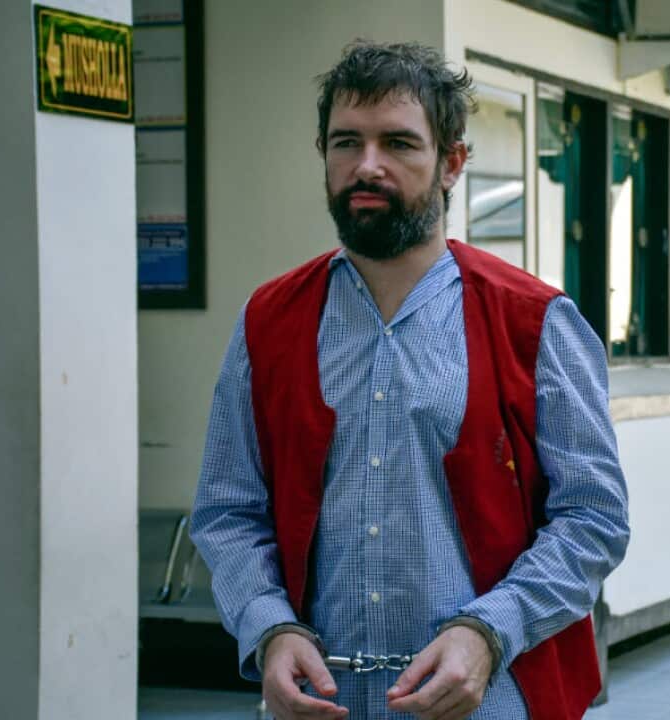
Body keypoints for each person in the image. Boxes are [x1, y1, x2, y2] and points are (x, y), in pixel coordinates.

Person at [191, 41, 630, 720]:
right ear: (323, 153)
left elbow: (594, 516)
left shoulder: (534, 322)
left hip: (491, 701)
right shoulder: (267, 322)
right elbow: (228, 510)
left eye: (398, 143)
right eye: (347, 142)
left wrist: (489, 630)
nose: (367, 165)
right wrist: (270, 627)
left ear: (452, 162)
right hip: (321, 702)